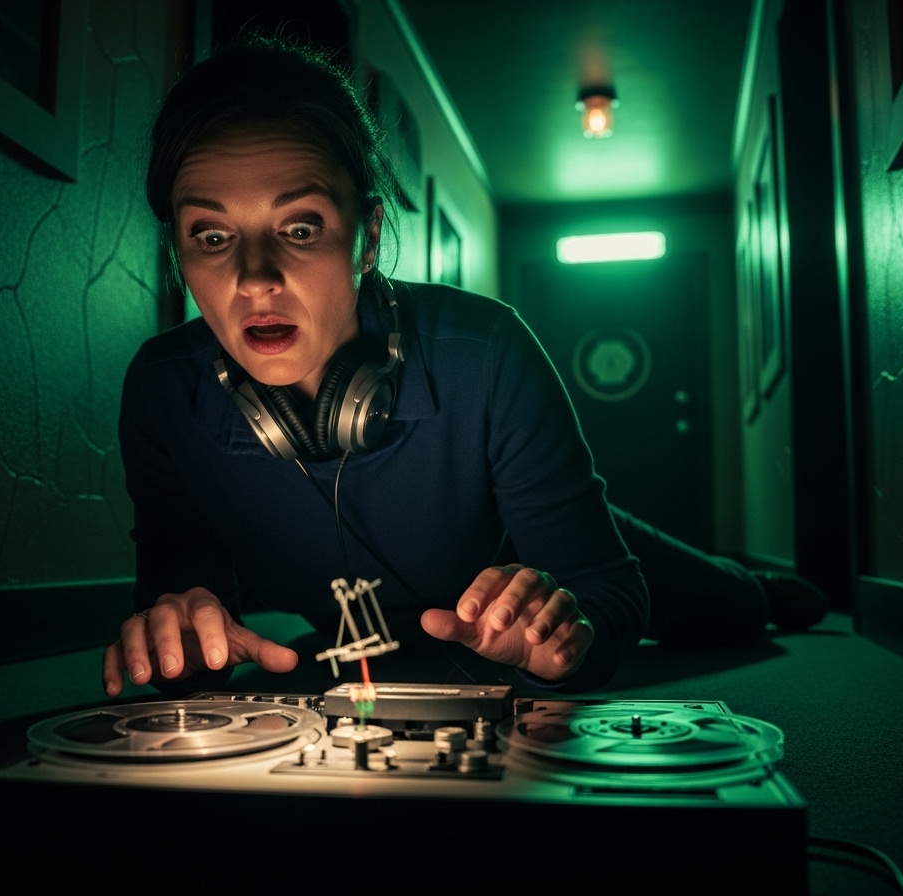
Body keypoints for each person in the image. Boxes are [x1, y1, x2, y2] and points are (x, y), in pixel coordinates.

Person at [102, 37, 824, 700]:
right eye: (213, 234)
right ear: (178, 258)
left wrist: (561, 638)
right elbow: (180, 595)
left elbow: (601, 587)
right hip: (361, 631)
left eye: (300, 227)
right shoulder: (166, 393)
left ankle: (754, 586)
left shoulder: (484, 351)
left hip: (527, 548)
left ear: (367, 238)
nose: (255, 278)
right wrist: (179, 635)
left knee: (725, 605)